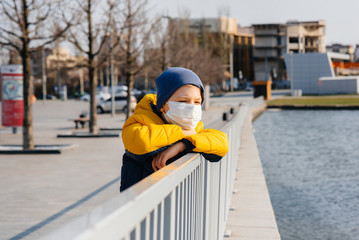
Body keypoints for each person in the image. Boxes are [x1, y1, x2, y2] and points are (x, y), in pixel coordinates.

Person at [120, 67, 228, 192]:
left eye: (197, 102)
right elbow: (142, 141)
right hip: (141, 205)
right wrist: (183, 133)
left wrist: (183, 144)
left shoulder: (194, 128)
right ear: (163, 105)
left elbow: (222, 143)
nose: (191, 107)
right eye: (183, 101)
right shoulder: (140, 122)